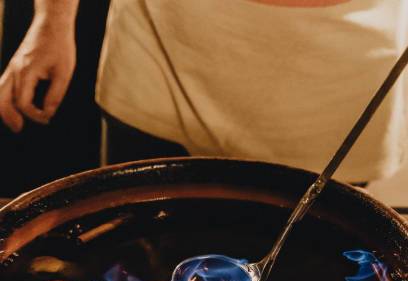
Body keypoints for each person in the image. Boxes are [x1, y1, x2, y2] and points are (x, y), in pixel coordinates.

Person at [0, 0, 407, 182]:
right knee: (138, 253)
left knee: (317, 271)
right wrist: (53, 18)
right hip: (160, 48)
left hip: (337, 70)